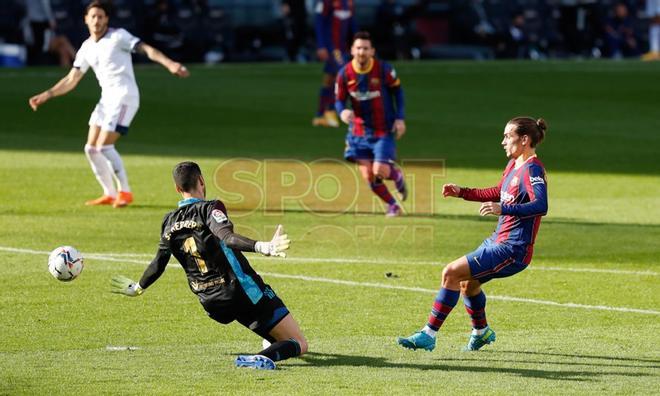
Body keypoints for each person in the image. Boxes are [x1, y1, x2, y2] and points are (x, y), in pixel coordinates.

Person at [111, 161, 308, 370]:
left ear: (177, 189)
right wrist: (264, 247)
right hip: (240, 291)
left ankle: (270, 342)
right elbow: (228, 238)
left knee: (272, 332)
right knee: (300, 344)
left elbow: (158, 262)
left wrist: (138, 287)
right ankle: (261, 357)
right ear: (202, 181)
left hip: (211, 302)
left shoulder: (168, 221)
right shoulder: (210, 208)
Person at [397, 116, 548, 351]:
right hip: (497, 240)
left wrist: (504, 208)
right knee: (468, 284)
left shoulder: (533, 169)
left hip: (512, 249)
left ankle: (428, 334)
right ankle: (481, 332)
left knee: (451, 272)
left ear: (525, 139)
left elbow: (542, 205)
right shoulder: (514, 165)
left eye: (508, 136)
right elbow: (498, 191)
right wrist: (462, 192)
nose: (503, 141)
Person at [28, 0, 189, 208]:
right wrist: (47, 94)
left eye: (101, 16)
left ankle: (125, 192)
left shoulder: (118, 36)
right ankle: (109, 193)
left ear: (107, 19)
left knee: (104, 145)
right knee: (91, 148)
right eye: (93, 16)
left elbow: (146, 49)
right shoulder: (86, 47)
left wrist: (170, 64)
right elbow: (71, 79)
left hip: (125, 97)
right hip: (106, 100)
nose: (97, 20)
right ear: (86, 19)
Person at [335, 31, 407, 217]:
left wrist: (400, 118)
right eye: (358, 48)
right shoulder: (344, 74)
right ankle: (393, 205)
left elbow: (398, 93)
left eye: (365, 48)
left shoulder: (383, 70)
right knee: (368, 175)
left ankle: (396, 175)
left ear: (372, 51)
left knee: (379, 171)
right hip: (358, 132)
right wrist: (342, 111)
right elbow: (339, 100)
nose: (362, 52)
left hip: (383, 129)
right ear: (352, 50)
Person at [312, 0, 356, 127]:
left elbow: (352, 24)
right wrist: (321, 45)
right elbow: (319, 22)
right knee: (341, 74)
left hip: (343, 48)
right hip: (332, 48)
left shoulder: (348, 3)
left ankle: (320, 114)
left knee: (329, 79)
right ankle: (330, 111)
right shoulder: (325, 2)